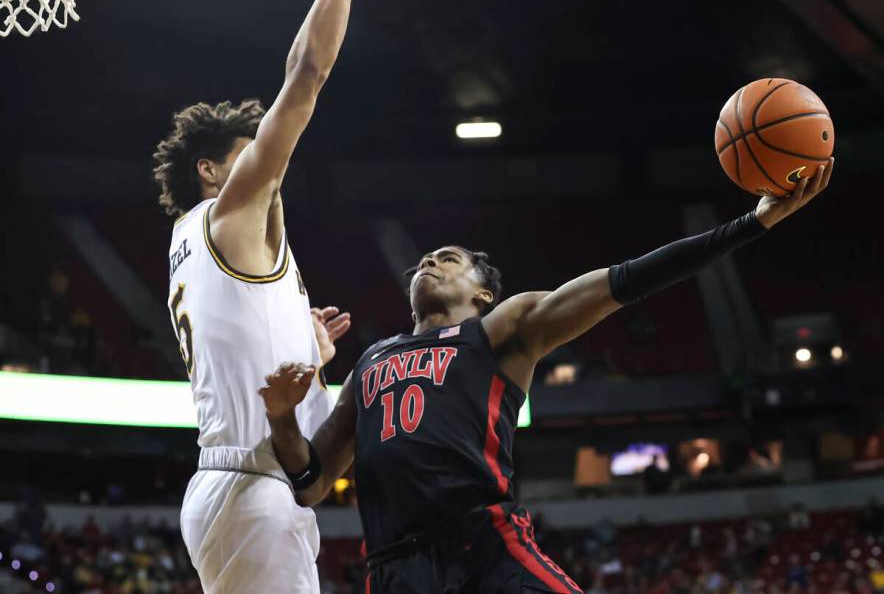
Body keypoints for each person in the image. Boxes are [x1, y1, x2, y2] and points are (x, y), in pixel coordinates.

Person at [261, 161, 833, 593]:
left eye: (449, 257)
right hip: (393, 568)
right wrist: (283, 417)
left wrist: (747, 225)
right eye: (427, 258)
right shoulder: (371, 360)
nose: (431, 259)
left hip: (483, 547)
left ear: (483, 294)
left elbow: (626, 281)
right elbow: (310, 482)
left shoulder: (502, 330)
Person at [150, 0, 382, 590]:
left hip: (250, 486)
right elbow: (307, 73)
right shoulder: (227, 214)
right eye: (251, 152)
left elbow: (236, 344)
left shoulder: (198, 240)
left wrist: (309, 359)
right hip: (250, 487)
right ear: (211, 170)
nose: (269, 160)